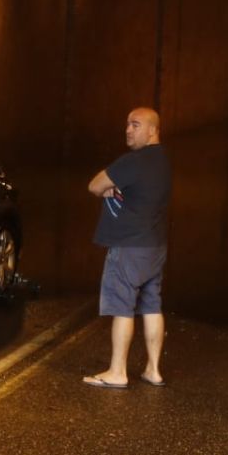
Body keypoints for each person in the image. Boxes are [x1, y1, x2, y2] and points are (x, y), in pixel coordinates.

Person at [83, 107, 171, 388]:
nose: (128, 130)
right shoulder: (163, 161)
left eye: (136, 125)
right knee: (152, 305)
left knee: (122, 306)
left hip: (129, 246)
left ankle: (117, 372)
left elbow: (95, 186)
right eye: (127, 125)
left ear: (152, 130)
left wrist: (112, 188)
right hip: (154, 246)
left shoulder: (133, 162)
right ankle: (153, 370)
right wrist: (119, 190)